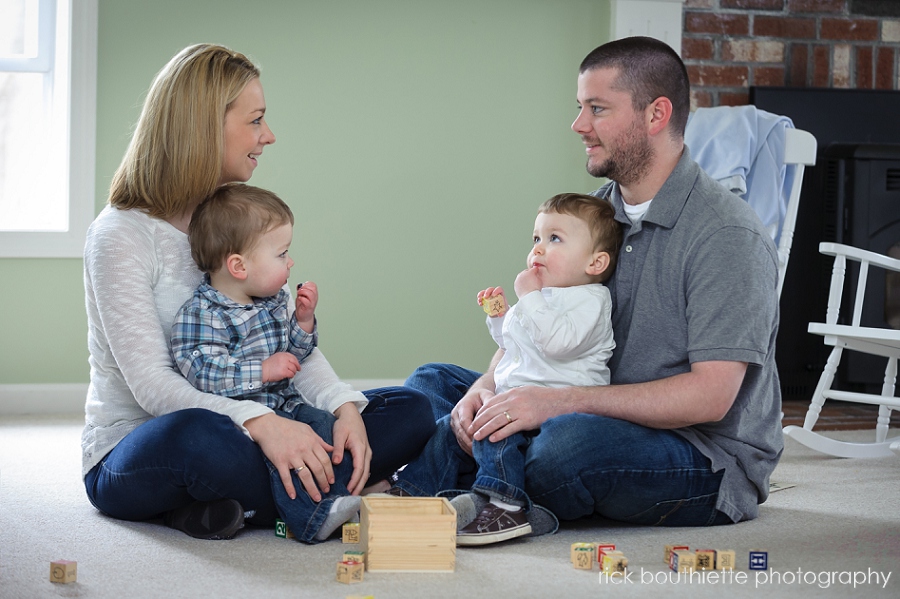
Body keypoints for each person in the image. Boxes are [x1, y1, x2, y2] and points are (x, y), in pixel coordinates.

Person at [403, 36, 783, 531]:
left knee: (566, 447)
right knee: (433, 384)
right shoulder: (593, 214)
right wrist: (487, 385)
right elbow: (537, 320)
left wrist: (553, 404)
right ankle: (483, 474)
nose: (579, 126)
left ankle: (466, 475)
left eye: (598, 109)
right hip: (583, 397)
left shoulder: (725, 234)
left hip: (700, 453)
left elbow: (709, 397)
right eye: (580, 107)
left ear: (656, 114)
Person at [82, 44, 434, 542]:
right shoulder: (121, 235)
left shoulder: (241, 222)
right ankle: (345, 492)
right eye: (256, 121)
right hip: (146, 444)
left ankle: (233, 505)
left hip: (268, 418)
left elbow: (288, 347)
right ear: (205, 126)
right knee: (201, 436)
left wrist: (344, 409)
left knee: (412, 409)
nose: (268, 136)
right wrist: (262, 423)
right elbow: (153, 387)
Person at [171, 183, 428, 542]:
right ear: (238, 266)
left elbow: (297, 355)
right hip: (245, 423)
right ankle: (313, 520)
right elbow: (202, 372)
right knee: (263, 454)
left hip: (290, 406)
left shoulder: (272, 300)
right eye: (281, 254)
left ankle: (338, 497)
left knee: (325, 426)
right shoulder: (202, 314)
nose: (290, 262)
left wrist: (303, 322)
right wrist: (262, 371)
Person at [391, 193, 622, 545]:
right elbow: (512, 344)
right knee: (448, 427)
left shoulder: (590, 301)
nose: (539, 249)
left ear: (595, 262)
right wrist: (499, 317)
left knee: (497, 433)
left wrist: (527, 298)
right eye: (536, 239)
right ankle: (410, 492)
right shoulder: (543, 296)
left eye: (554, 239)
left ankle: (505, 503)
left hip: (555, 410)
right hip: (512, 395)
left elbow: (558, 342)